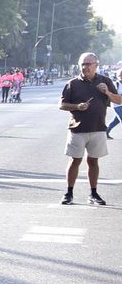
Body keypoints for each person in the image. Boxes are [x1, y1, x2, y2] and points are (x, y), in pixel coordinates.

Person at [58, 52, 116, 205]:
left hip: (98, 127)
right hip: (77, 128)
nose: (85, 67)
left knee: (93, 161)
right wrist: (77, 106)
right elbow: (62, 105)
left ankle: (93, 193)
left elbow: (119, 99)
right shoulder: (73, 83)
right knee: (75, 160)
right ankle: (69, 193)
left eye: (88, 64)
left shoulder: (105, 81)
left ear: (96, 65)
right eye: (83, 64)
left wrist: (108, 93)